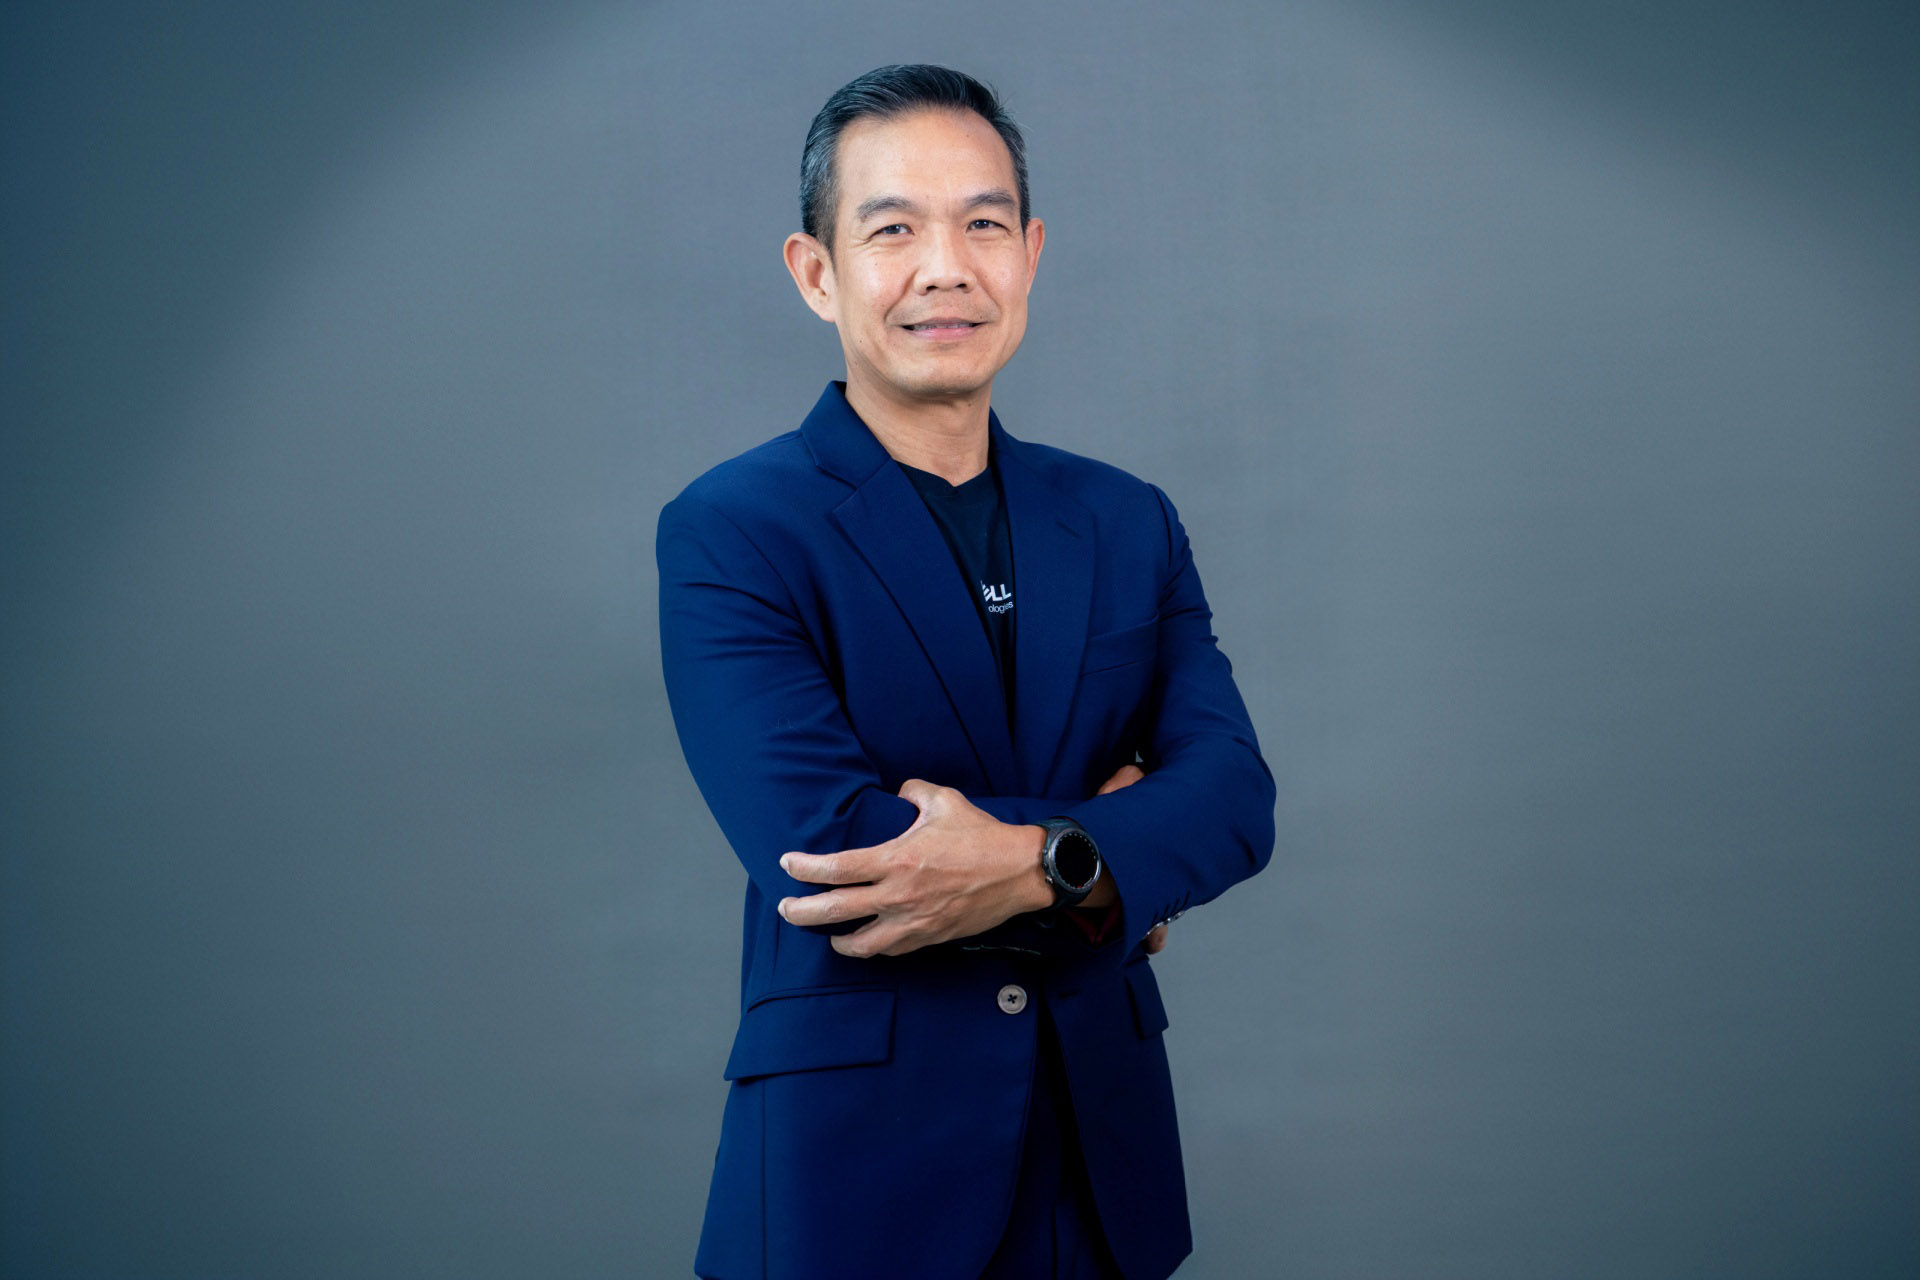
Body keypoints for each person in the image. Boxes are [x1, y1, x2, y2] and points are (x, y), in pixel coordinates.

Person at [657, 64, 1275, 1280]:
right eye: (893, 230)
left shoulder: (1127, 519)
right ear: (817, 272)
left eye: (984, 224)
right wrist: (1103, 855)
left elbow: (1235, 798)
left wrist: (1042, 860)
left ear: (1030, 255)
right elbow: (833, 853)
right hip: (853, 1189)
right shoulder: (734, 527)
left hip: (1101, 1182)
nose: (947, 267)